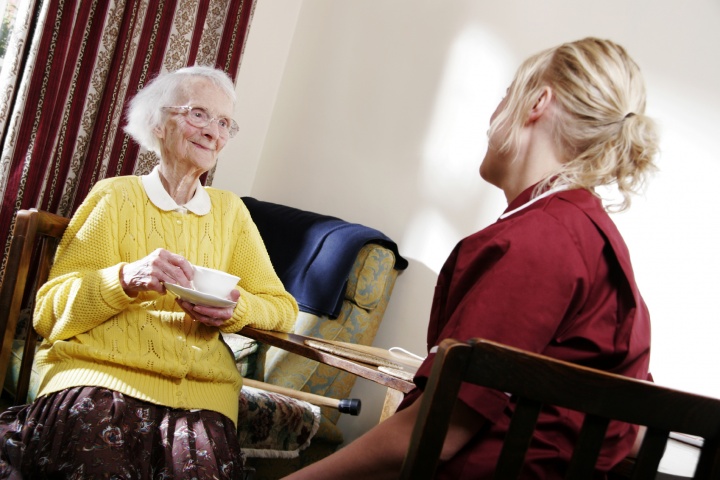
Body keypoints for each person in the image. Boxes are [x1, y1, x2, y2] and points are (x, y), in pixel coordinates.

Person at [283, 37, 659, 480]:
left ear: (538, 101)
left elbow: (437, 434)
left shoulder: (540, 243)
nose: (492, 118)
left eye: (506, 95)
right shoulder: (588, 235)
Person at [0, 66, 298, 479]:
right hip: (99, 377)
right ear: (158, 122)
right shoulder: (114, 196)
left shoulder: (231, 213)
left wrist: (236, 308)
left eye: (225, 122)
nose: (214, 132)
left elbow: (282, 308)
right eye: (199, 114)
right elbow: (47, 312)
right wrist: (123, 279)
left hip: (201, 395)